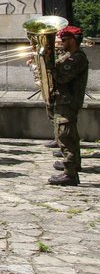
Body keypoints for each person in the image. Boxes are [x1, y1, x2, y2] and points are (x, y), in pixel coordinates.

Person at [49, 26, 89, 186]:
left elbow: (61, 78)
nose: (62, 43)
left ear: (73, 40)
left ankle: (70, 173)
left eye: (64, 40)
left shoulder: (76, 58)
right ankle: (73, 164)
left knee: (65, 136)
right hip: (65, 100)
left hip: (68, 101)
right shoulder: (70, 56)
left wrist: (49, 66)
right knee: (69, 134)